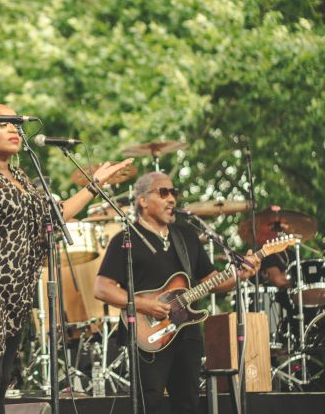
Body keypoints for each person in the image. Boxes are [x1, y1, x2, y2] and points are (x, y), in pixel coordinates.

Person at [0, 103, 133, 414]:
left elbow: (56, 214)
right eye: (3, 123)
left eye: (16, 123)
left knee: (0, 383)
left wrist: (95, 184)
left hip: (12, 299)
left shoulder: (20, 178)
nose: (14, 129)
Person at [94, 171, 261, 414]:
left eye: (174, 193)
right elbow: (101, 287)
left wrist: (239, 275)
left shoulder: (186, 237)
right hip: (147, 335)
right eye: (163, 192)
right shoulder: (126, 238)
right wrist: (142, 304)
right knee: (149, 403)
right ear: (142, 200)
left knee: (188, 403)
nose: (171, 199)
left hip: (186, 332)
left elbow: (211, 281)